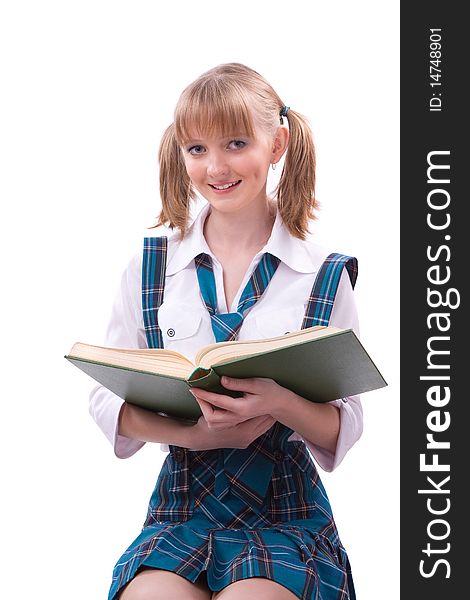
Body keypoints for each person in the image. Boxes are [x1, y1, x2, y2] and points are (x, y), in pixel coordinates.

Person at [89, 62, 362, 600]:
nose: (215, 167)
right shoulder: (152, 267)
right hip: (182, 503)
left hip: (285, 508)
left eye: (236, 143)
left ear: (278, 143)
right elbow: (105, 398)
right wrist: (195, 434)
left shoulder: (322, 274)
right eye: (197, 149)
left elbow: (343, 428)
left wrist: (279, 401)